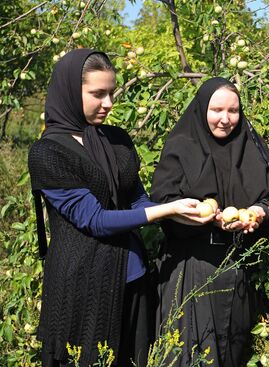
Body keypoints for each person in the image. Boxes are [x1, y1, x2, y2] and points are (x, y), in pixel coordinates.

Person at [27, 49, 213, 367]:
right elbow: (93, 219)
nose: (108, 103)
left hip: (133, 277)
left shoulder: (116, 139)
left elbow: (138, 201)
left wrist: (180, 211)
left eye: (111, 92)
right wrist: (165, 211)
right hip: (84, 284)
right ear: (71, 92)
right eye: (97, 94)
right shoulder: (49, 152)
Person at [150, 77, 269, 367]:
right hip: (192, 268)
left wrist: (258, 214)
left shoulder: (250, 145)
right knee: (190, 355)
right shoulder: (181, 146)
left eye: (233, 111)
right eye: (217, 110)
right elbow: (162, 203)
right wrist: (205, 219)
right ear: (201, 110)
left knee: (232, 354)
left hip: (239, 270)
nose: (225, 119)